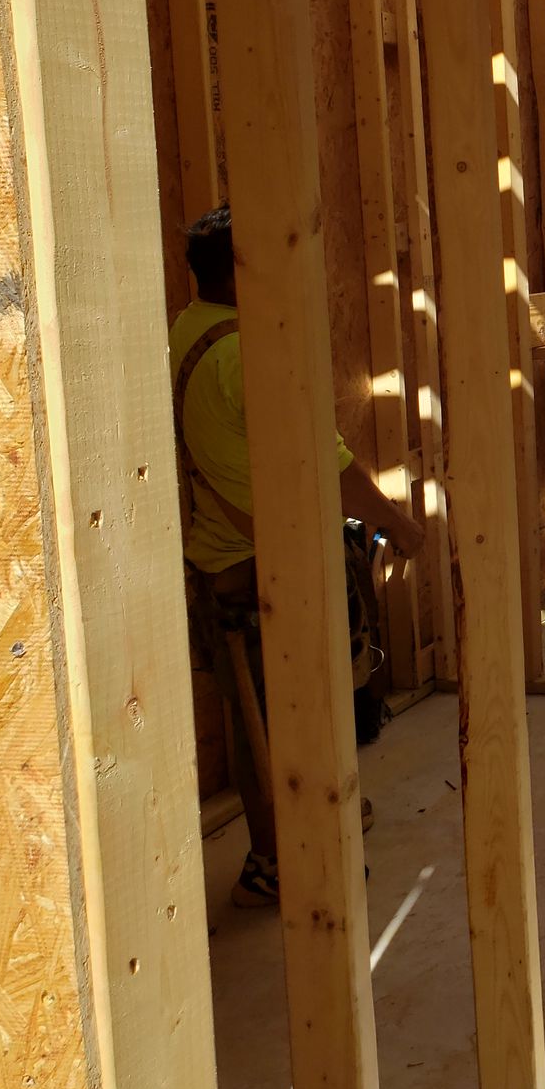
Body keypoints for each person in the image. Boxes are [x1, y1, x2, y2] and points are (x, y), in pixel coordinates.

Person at [172, 205, 424, 907]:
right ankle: (285, 861)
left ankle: (297, 840)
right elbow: (335, 467)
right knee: (296, 722)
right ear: (244, 271)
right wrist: (402, 528)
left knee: (262, 725)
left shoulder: (192, 332)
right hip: (265, 569)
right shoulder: (247, 358)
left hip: (223, 564)